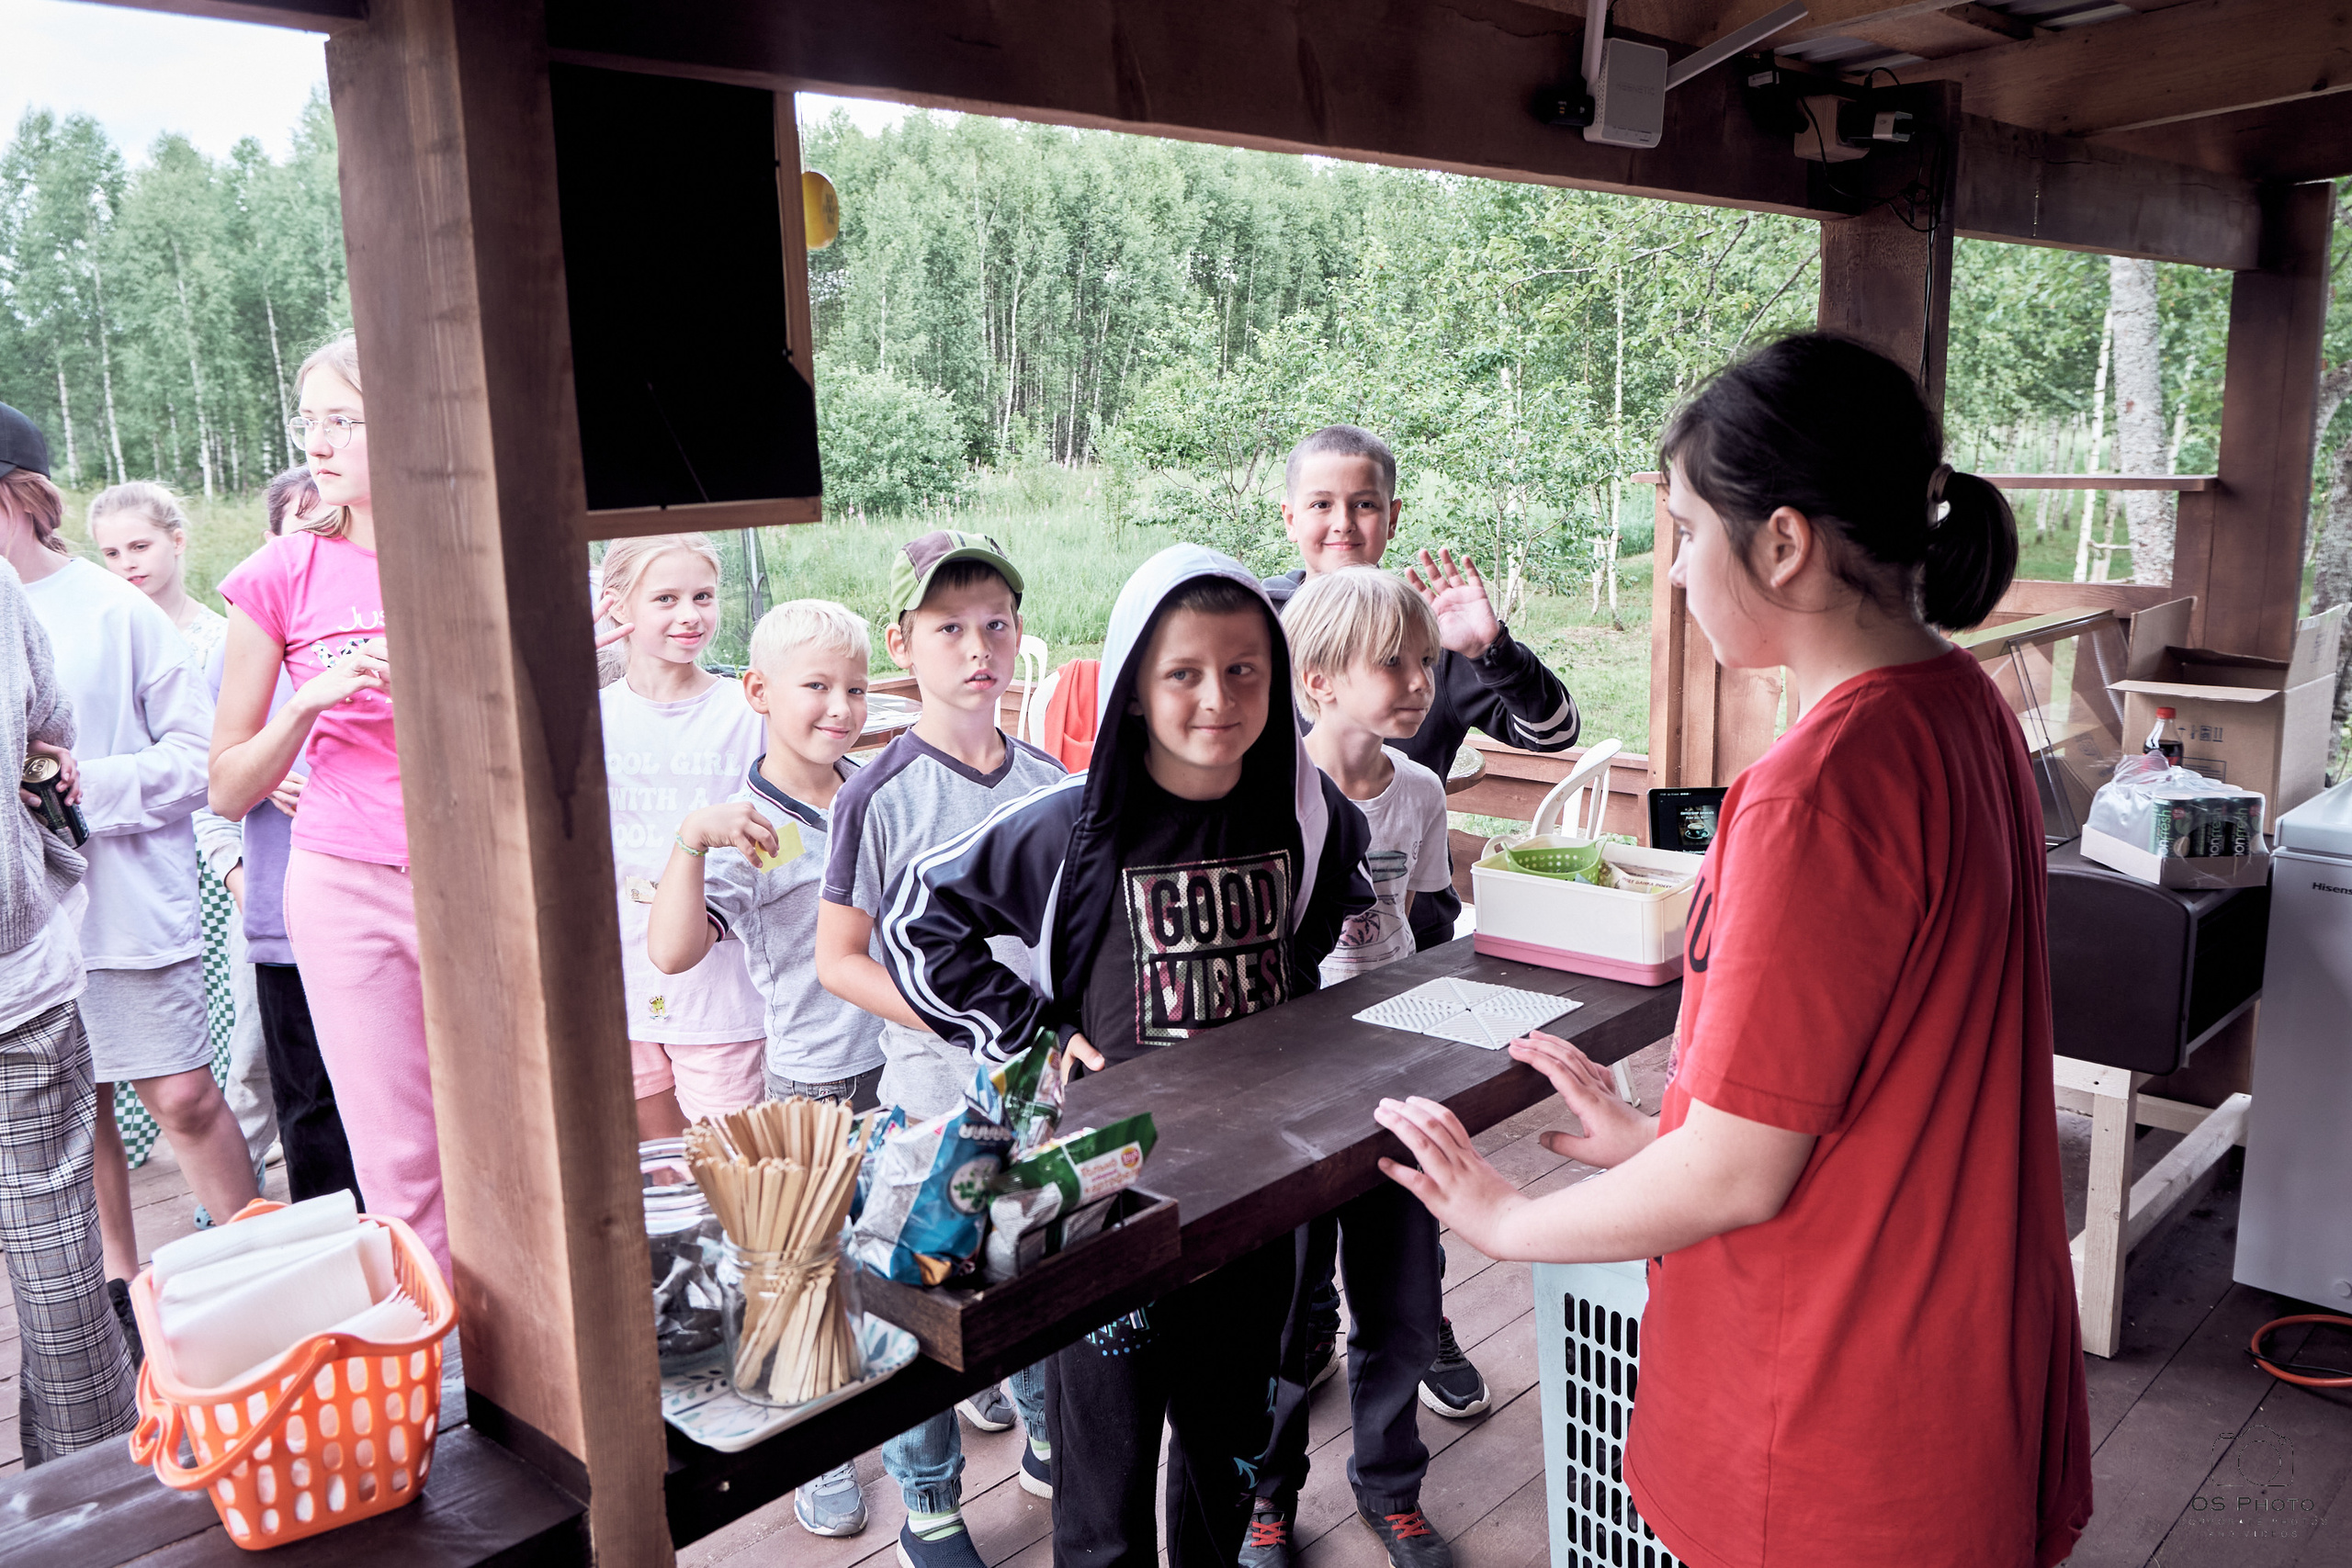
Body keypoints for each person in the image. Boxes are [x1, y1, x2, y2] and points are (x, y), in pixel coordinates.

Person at [1372, 333, 2093, 1568]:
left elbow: (1743, 1178)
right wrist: (1662, 1139)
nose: (1675, 572)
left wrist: (1503, 1216)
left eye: (1687, 530)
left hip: (1831, 1398)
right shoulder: (1959, 704)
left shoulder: (1818, 787)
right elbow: (1863, 1099)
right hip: (1956, 1350)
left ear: (1785, 542)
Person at [880, 543, 1373, 1568]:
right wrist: (1040, 1037)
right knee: (1101, 1489)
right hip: (1103, 1206)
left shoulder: (1310, 813)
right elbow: (920, 921)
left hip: (1254, 1200)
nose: (1218, 698)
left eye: (1245, 670)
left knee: (1227, 1448)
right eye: (1183, 673)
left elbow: (1321, 924)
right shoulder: (1068, 827)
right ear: (1135, 691)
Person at [1266, 423, 1578, 1418]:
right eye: (1321, 503)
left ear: (1392, 516)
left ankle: (1414, 1323)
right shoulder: (1250, 625)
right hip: (1290, 987)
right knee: (1300, 1204)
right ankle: (1305, 1329)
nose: (1343, 523)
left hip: (1395, 938)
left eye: (1363, 503)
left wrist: (1488, 649)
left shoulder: (1423, 628)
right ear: (1290, 517)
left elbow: (1552, 732)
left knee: (1403, 1189)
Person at [814, 530, 1065, 1568]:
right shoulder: (878, 793)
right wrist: (966, 1015)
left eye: (996, 624)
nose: (977, 649)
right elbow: (841, 959)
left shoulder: (1052, 779)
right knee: (924, 1293)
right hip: (928, 1097)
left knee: (1040, 1265)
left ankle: (1052, 1435)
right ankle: (926, 1500)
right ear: (900, 644)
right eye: (948, 627)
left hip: (1036, 1090)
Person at [3, 415, 259, 1356]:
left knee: (184, 1098)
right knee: (81, 1117)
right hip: (23, 929)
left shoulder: (114, 612)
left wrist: (84, 784)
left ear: (17, 497)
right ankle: (121, 1296)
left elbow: (201, 761)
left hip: (122, 907)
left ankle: (255, 1267)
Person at [647, 596, 887, 1538]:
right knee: (806, 1267)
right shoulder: (748, 827)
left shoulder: (876, 790)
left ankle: (954, 1392)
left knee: (912, 1244)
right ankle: (819, 1448)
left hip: (902, 1058)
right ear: (758, 692)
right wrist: (689, 843)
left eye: (856, 688)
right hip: (814, 1079)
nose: (840, 706)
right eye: (817, 686)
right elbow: (671, 954)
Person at [209, 333, 448, 1276]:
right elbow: (229, 783)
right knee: (398, 1165)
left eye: (343, 420)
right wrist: (306, 703)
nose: (320, 442)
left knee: (513, 1134)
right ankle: (449, 1387)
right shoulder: (277, 575)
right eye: (308, 421)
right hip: (344, 886)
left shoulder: (472, 554)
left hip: (473, 879)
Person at [1246, 565, 1454, 1568]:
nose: (1418, 682)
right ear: (1319, 679)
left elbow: (1428, 916)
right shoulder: (1270, 797)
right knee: (1284, 1323)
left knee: (1404, 1307)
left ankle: (1388, 1485)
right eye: (1393, 664)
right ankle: (1264, 1498)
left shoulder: (1418, 789)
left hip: (1400, 1076)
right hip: (1291, 1090)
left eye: (1425, 661)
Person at [0, 403, 138, 1464]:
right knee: (56, 1257)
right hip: (21, 971)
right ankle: (91, 1497)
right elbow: (50, 734)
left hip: (26, 978)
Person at [89, 480, 278, 1203]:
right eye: (111, 551)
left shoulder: (216, 634)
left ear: (177, 540)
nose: (127, 562)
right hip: (146, 856)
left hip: (219, 854)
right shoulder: (109, 630)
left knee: (235, 1046)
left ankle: (241, 1200)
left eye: (139, 545)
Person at [594, 533, 769, 1138]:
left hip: (724, 995)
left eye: (703, 595)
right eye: (665, 598)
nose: (690, 615)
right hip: (624, 990)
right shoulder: (588, 717)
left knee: (735, 1178)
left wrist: (739, 874)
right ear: (616, 604)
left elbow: (793, 840)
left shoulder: (749, 714)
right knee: (658, 1181)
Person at [224, 467, 362, 1204]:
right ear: (275, 544)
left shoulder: (368, 632)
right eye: (307, 527)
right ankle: (338, 1272)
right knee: (309, 1102)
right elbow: (215, 782)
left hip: (371, 897)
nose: (326, 540)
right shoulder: (254, 652)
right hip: (283, 915)